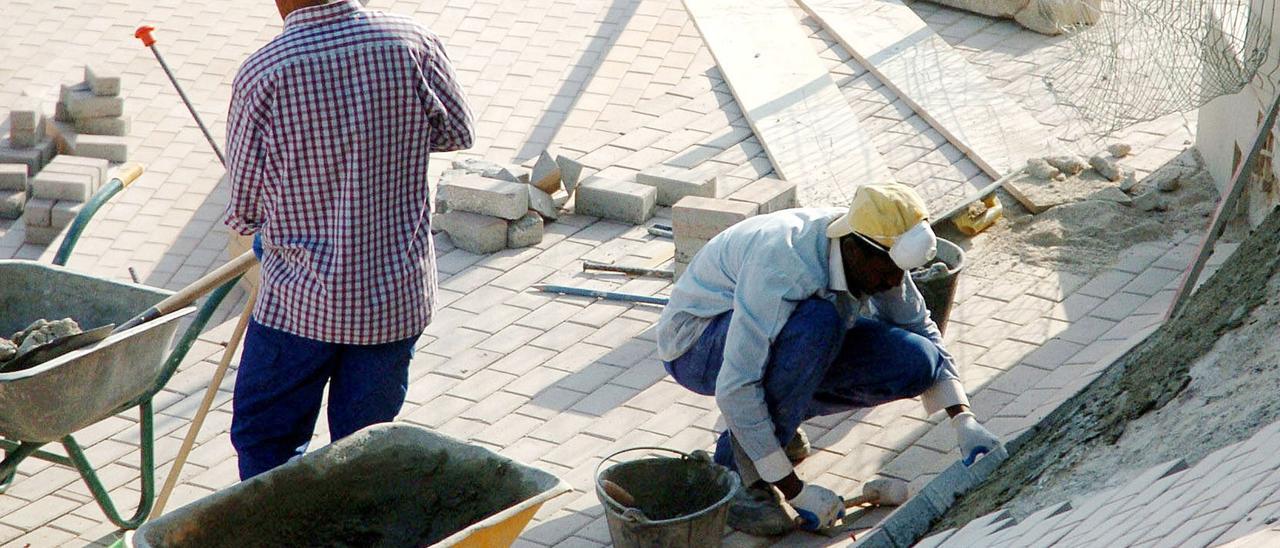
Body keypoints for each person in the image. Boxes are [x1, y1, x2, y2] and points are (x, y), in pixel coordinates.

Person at [656, 183, 1001, 535]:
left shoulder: (879, 249)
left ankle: (771, 431)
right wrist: (796, 491)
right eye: (888, 271)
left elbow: (919, 325)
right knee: (817, 324)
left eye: (900, 272)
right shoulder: (785, 266)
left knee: (917, 360)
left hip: (776, 335)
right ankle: (736, 475)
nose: (895, 281)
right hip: (697, 344)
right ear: (854, 249)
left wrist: (962, 418)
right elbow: (735, 386)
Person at [224, 0, 473, 480]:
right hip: (393, 299)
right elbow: (457, 132)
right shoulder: (412, 41)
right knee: (364, 457)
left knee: (267, 445)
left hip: (299, 304)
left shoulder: (263, 72)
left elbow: (244, 211)